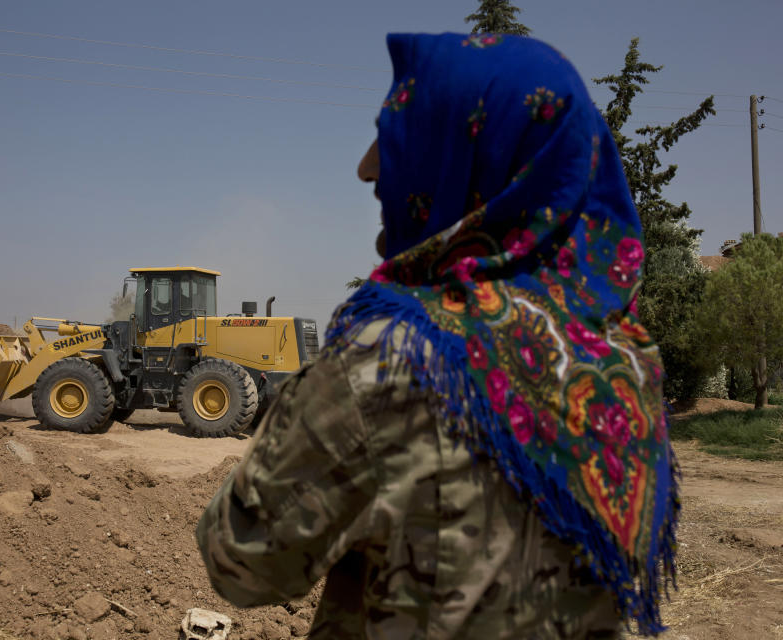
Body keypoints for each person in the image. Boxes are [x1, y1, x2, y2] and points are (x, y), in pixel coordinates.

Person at [197, 33, 678, 639]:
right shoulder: (625, 362)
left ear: (469, 156)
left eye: (403, 135)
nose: (368, 167)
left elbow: (240, 563)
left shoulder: (395, 359)